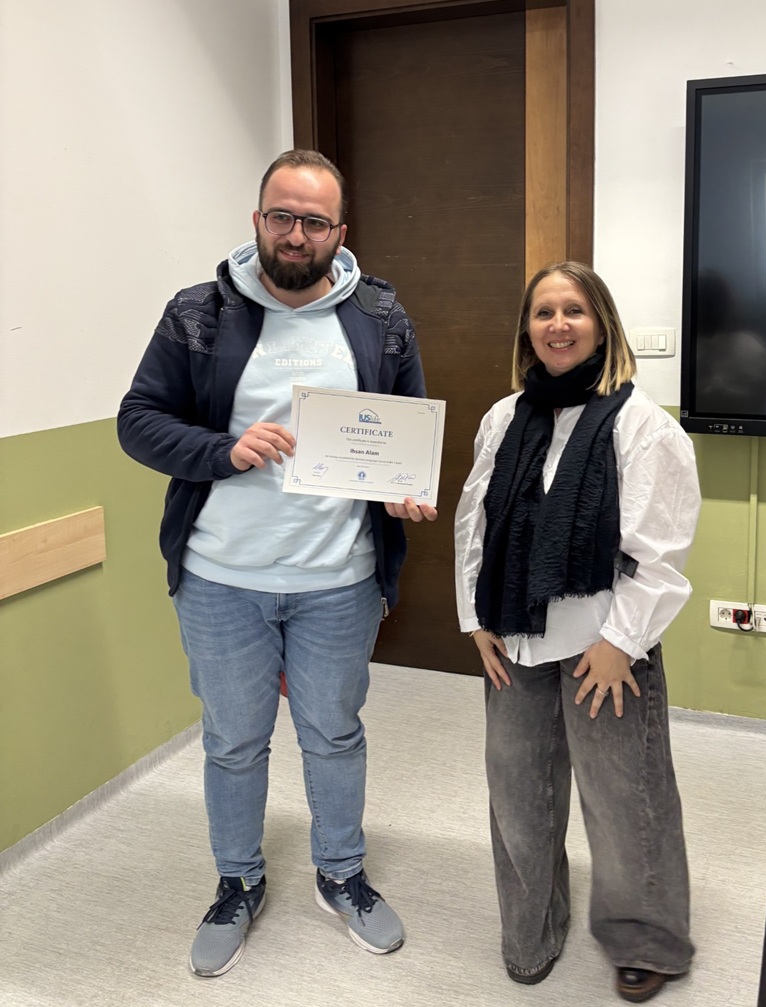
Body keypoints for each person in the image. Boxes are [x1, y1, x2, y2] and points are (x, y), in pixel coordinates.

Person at [118, 149, 436, 977]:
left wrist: (402, 491)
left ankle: (341, 873)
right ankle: (238, 881)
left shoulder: (379, 314)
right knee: (233, 741)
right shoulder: (197, 313)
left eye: (314, 221)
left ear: (340, 231)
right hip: (222, 580)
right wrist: (223, 449)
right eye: (282, 217)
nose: (297, 235)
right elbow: (137, 421)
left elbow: (403, 429)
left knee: (334, 734)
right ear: (257, 220)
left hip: (339, 580)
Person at [454, 261, 700, 1003]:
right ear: (527, 331)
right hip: (515, 641)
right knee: (517, 795)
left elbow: (659, 552)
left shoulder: (641, 425)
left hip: (605, 649)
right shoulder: (503, 417)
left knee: (625, 800)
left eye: (574, 311)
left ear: (602, 325)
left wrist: (620, 641)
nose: (557, 324)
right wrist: (475, 618)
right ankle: (530, 932)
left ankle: (645, 939)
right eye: (543, 312)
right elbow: (475, 520)